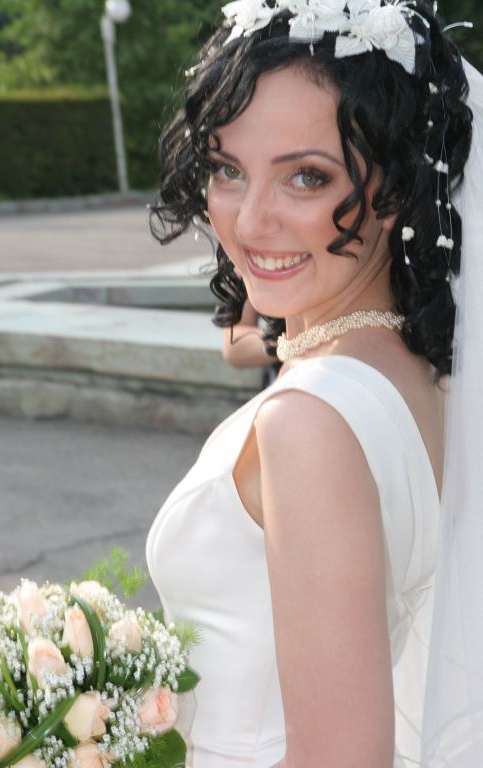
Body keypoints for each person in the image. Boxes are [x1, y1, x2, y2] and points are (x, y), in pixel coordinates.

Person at [146, 1, 481, 766]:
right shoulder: (423, 373)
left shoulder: (309, 422)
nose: (249, 221)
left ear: (397, 186)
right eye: (227, 169)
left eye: (305, 176)